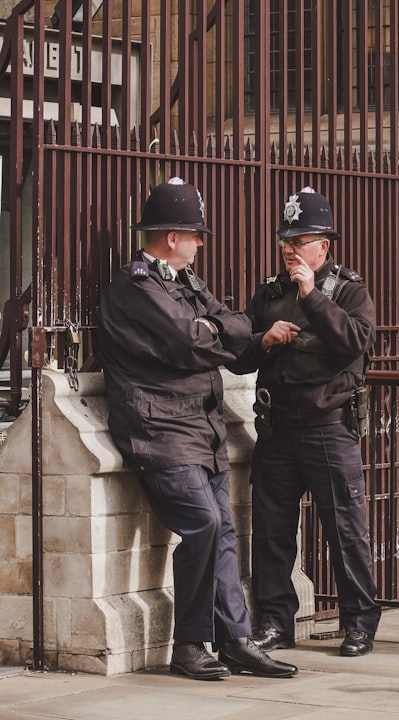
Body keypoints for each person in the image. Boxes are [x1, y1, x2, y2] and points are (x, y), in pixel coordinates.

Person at [97, 177, 298, 681]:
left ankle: (233, 640)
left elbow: (231, 326)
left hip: (199, 429)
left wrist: (214, 331)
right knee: (205, 525)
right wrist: (212, 333)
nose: (201, 243)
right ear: (173, 236)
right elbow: (190, 343)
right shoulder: (135, 285)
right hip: (159, 431)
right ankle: (189, 643)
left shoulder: (184, 281)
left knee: (223, 530)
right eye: (196, 234)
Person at [228, 186, 381, 657]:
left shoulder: (350, 292)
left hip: (329, 429)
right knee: (272, 535)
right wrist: (264, 342)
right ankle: (275, 623)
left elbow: (354, 342)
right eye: (286, 241)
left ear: (324, 247)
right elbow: (237, 357)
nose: (291, 250)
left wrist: (312, 295)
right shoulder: (269, 295)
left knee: (346, 532)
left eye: (302, 240)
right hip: (277, 430)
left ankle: (358, 623)